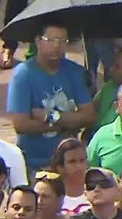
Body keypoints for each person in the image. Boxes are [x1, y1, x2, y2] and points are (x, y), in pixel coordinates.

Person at [7, 19, 96, 173]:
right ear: (38, 41)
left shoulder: (75, 72)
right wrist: (67, 123)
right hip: (34, 162)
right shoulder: (23, 75)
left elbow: (88, 116)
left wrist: (51, 116)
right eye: (51, 40)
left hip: (69, 163)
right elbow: (21, 124)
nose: (57, 45)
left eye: (62, 41)